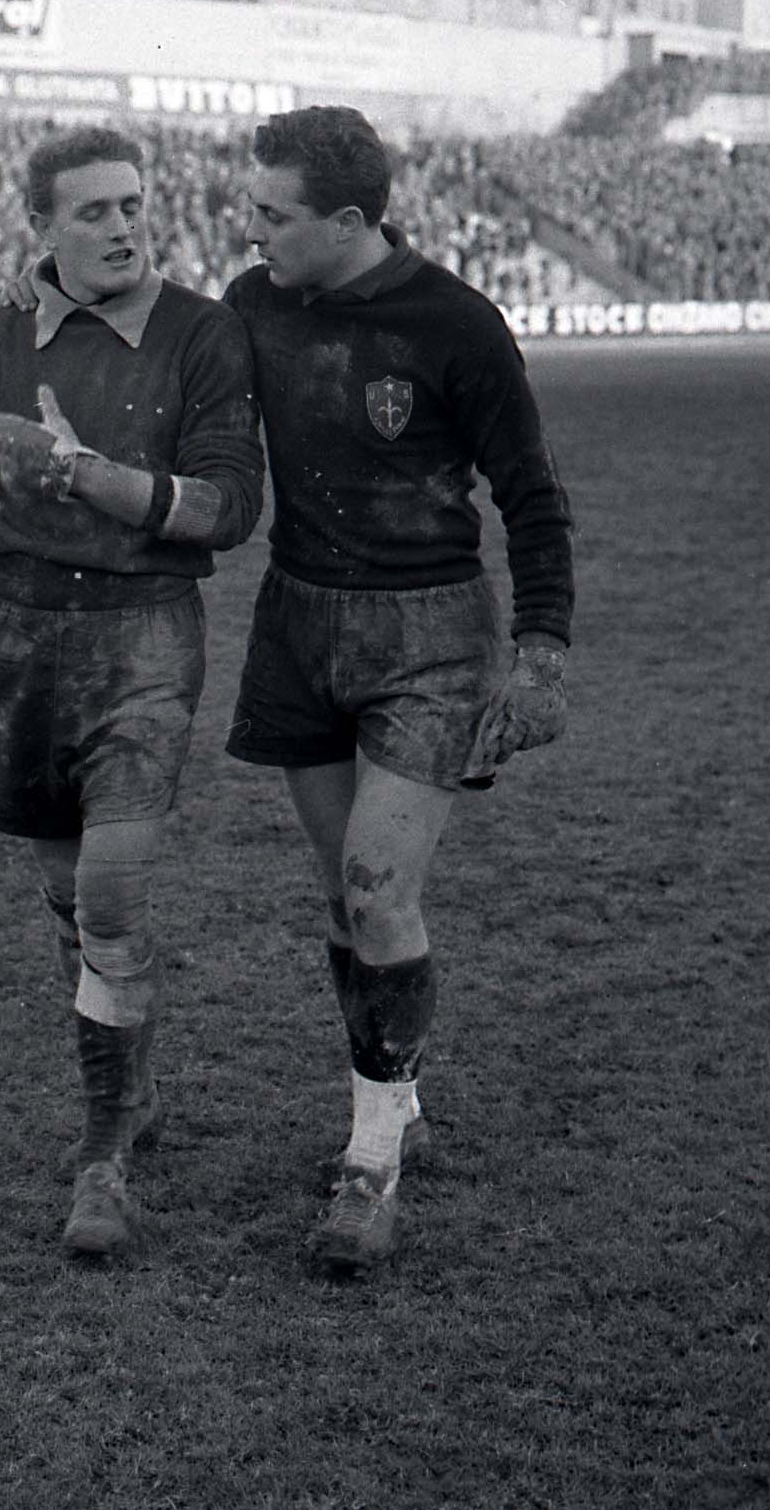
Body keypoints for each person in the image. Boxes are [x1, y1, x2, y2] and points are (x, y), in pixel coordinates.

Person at [0, 124, 264, 1261]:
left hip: (145, 637)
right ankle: (131, 1084)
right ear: (40, 227)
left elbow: (227, 506)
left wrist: (80, 472)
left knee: (109, 894)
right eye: (93, 211)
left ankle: (103, 1158)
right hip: (24, 643)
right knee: (71, 903)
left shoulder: (202, 333)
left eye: (133, 204)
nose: (122, 227)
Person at [222, 105, 574, 1273]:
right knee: (344, 900)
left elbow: (531, 495)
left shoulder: (456, 324)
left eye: (272, 213)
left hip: (429, 635)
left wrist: (541, 654)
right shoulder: (254, 302)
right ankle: (397, 1099)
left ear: (346, 221)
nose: (252, 230)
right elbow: (168, 365)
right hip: (298, 625)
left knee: (378, 892)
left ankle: (370, 1165)